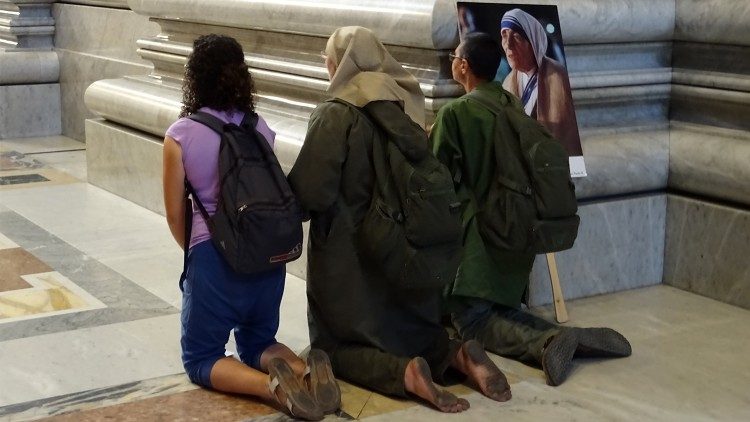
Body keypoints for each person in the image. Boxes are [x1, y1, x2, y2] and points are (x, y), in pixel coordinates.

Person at [288, 26, 511, 413]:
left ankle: (406, 373)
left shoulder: (335, 115)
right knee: (413, 331)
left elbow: (311, 193)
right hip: (402, 254)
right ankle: (457, 355)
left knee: (331, 348)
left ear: (337, 65)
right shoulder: (403, 108)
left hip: (349, 260)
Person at [430, 32, 631, 387]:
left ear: (463, 66)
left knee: (473, 321)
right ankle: (568, 337)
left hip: (476, 239)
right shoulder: (511, 102)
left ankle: (547, 342)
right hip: (517, 230)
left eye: (453, 57)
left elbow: (436, 178)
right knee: (501, 309)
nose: (452, 62)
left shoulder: (456, 113)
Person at [162, 34, 339, 421]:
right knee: (259, 341)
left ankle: (271, 388)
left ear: (195, 77)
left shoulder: (181, 135)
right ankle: (304, 370)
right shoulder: (260, 127)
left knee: (201, 357)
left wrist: (204, 261)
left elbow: (178, 219)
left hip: (215, 261)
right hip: (268, 259)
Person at [500, 8, 583, 156]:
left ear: (533, 41)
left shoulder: (558, 76)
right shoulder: (507, 83)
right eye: (504, 36)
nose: (508, 45)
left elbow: (566, 135)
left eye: (517, 36)